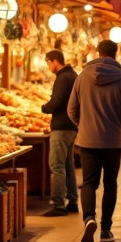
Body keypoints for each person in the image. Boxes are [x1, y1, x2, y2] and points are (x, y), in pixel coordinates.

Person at [68, 40, 121, 242]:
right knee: (110, 183)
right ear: (116, 54)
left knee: (89, 182)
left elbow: (71, 110)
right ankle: (106, 229)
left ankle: (89, 218)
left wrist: (85, 125)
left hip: (88, 140)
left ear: (98, 53)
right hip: (113, 141)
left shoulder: (82, 77)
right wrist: (119, 123)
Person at [40, 50, 79, 217]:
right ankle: (72, 201)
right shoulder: (72, 75)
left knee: (57, 165)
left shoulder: (63, 78)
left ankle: (58, 204)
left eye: (48, 62)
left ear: (55, 61)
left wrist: (44, 108)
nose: (48, 66)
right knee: (68, 165)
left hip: (61, 127)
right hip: (71, 126)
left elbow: (57, 100)